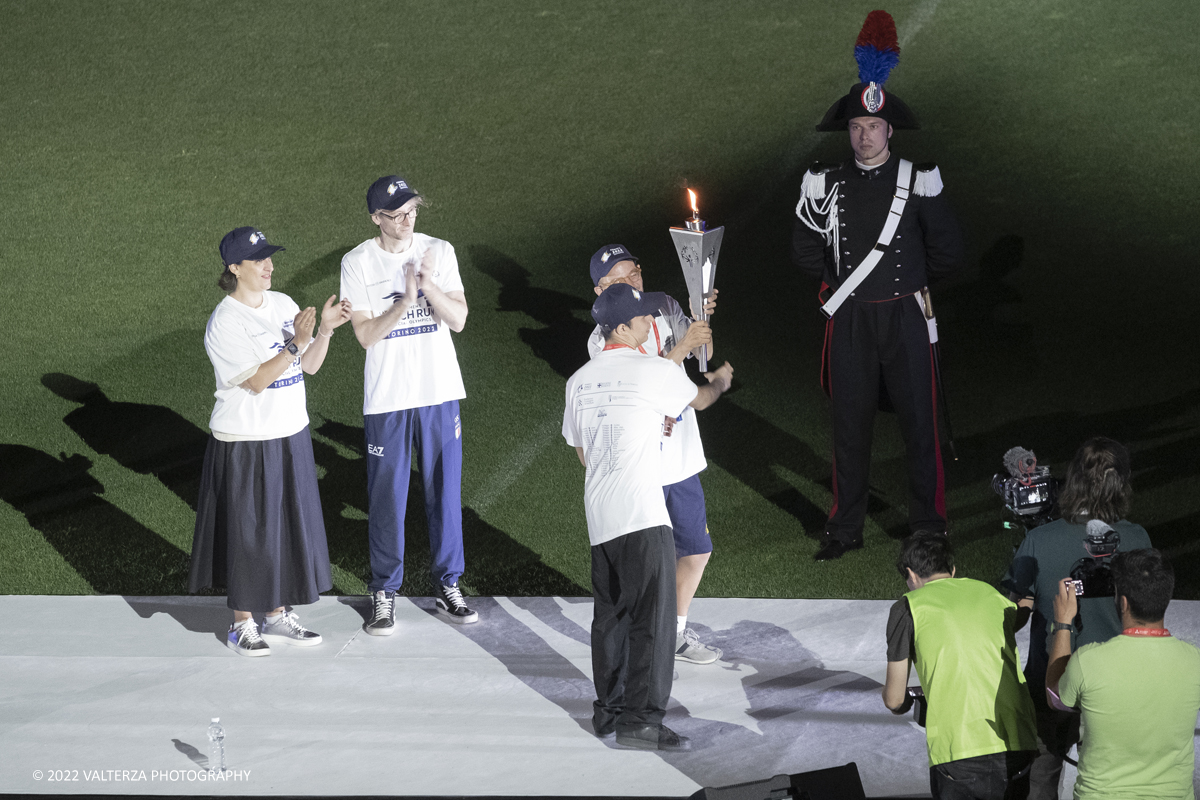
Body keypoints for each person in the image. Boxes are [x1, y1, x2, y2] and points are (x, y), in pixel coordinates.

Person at [792, 11, 965, 561]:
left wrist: (910, 284)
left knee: (920, 427)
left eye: (874, 128)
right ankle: (844, 529)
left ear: (890, 130)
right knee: (849, 430)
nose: (864, 137)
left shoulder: (919, 179)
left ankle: (930, 528)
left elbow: (948, 252)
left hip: (906, 316)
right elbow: (802, 253)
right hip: (851, 321)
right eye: (856, 128)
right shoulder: (826, 183)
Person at [563, 282, 734, 751]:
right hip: (642, 513)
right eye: (642, 320)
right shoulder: (651, 370)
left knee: (611, 618)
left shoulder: (578, 380)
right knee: (654, 623)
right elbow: (698, 400)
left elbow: (582, 453)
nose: (649, 325)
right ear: (621, 327)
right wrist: (720, 380)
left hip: (600, 517)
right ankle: (641, 720)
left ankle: (609, 711)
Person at [189, 226, 353, 656]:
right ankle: (241, 623)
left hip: (289, 432)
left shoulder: (282, 303)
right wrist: (297, 344)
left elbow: (309, 366)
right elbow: (259, 380)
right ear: (234, 268)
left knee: (283, 528)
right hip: (246, 441)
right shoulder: (224, 322)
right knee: (249, 534)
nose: (270, 266)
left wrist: (325, 334)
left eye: (269, 257)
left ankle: (278, 615)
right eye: (259, 259)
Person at [340, 175, 477, 634]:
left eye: (412, 211)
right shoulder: (357, 262)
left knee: (445, 492)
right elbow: (365, 335)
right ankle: (384, 590)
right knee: (387, 497)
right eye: (396, 214)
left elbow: (457, 319)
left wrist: (428, 285)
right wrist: (407, 300)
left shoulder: (440, 249)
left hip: (438, 392)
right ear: (375, 218)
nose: (406, 221)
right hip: (388, 398)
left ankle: (449, 584)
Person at [586, 243, 722, 665]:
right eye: (620, 280)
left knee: (696, 551)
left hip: (679, 460)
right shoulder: (601, 340)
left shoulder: (664, 304)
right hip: (639, 471)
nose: (633, 283)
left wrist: (701, 323)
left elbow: (703, 357)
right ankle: (634, 642)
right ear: (600, 291)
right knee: (644, 567)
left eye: (635, 272)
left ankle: (675, 634)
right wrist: (681, 350)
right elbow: (642, 381)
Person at [1001, 437, 1152, 798]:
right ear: (1123, 482)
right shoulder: (1137, 538)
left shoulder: (1039, 539)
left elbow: (1011, 615)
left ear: (1072, 479)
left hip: (1049, 680)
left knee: (1038, 782)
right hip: (1115, 688)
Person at [883, 531, 1038, 798]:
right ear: (952, 570)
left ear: (910, 573)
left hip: (959, 752)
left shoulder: (907, 608)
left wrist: (908, 702)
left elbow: (894, 700)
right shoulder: (988, 592)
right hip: (1016, 740)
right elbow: (1017, 618)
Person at [1046, 549, 1200, 798]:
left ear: (1124, 602)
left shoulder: (1088, 661)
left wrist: (1063, 623)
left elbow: (1055, 696)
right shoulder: (1195, 662)